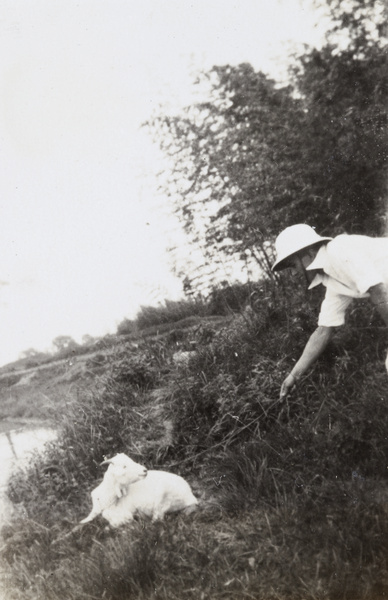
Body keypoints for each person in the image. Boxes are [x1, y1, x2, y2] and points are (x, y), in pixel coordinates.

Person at [271, 224, 388, 399]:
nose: (293, 274)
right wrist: (293, 376)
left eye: (293, 265)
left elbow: (378, 291)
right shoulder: (331, 279)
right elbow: (323, 330)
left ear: (308, 253)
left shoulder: (338, 250)